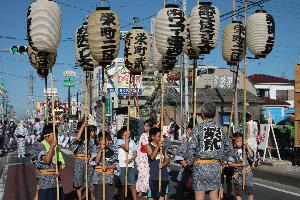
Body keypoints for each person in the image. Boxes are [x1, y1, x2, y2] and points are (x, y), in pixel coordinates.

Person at [186, 102, 232, 200]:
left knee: (199, 196)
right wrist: (223, 162)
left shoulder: (198, 128)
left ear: (202, 113)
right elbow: (227, 147)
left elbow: (191, 148)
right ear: (215, 114)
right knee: (214, 195)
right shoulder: (221, 128)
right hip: (215, 166)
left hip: (200, 166)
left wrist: (190, 163)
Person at [34, 123, 65, 200]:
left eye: (57, 134)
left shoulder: (56, 148)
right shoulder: (39, 146)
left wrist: (59, 167)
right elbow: (46, 160)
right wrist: (52, 147)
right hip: (45, 183)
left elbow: (62, 162)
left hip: (56, 181)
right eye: (54, 135)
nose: (56, 137)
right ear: (46, 136)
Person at [71, 121, 96, 200]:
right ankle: (79, 198)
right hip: (79, 162)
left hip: (88, 163)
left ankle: (91, 197)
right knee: (79, 184)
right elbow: (77, 139)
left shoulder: (89, 141)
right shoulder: (76, 141)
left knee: (90, 183)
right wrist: (82, 127)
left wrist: (89, 158)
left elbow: (93, 152)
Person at [227, 132, 254, 200]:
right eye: (237, 141)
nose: (239, 142)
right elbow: (229, 163)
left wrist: (247, 145)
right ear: (234, 142)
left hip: (247, 173)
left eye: (241, 141)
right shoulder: (232, 152)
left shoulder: (245, 149)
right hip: (238, 175)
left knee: (250, 192)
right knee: (238, 193)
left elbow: (251, 155)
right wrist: (239, 164)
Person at [91, 130, 117, 199]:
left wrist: (108, 167)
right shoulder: (95, 148)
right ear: (99, 140)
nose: (104, 141)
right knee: (99, 196)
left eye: (106, 139)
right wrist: (100, 150)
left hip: (109, 178)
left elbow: (116, 165)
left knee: (109, 197)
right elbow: (96, 161)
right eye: (102, 139)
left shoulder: (112, 150)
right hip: (98, 178)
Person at [147, 127, 170, 200]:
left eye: (161, 136)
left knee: (162, 195)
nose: (160, 138)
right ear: (153, 137)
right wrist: (157, 146)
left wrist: (163, 164)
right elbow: (152, 157)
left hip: (163, 174)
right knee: (153, 196)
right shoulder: (149, 146)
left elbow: (167, 158)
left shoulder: (164, 146)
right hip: (154, 175)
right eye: (158, 136)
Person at [117, 126, 138, 200]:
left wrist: (131, 159)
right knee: (121, 184)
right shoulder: (119, 141)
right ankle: (120, 197)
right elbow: (126, 148)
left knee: (132, 184)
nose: (127, 133)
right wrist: (126, 138)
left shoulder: (132, 141)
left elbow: (135, 153)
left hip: (130, 166)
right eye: (125, 132)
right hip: (122, 165)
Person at [174, 125, 194, 199]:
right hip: (186, 174)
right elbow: (180, 158)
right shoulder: (185, 144)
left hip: (198, 177)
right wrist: (191, 171)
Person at [136, 119, 154, 198]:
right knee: (143, 173)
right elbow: (142, 146)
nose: (145, 127)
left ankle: (148, 191)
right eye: (145, 125)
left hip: (150, 156)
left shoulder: (152, 135)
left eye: (147, 126)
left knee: (150, 174)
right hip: (143, 156)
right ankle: (142, 190)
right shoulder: (143, 135)